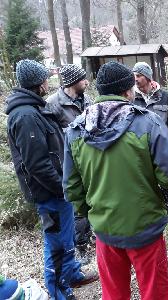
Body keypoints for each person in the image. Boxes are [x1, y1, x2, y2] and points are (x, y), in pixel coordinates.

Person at [63, 61, 168, 299]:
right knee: (154, 291)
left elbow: (71, 188)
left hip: (105, 229)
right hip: (145, 225)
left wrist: (94, 212)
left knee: (114, 293)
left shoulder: (76, 130)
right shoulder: (148, 122)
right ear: (128, 91)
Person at [5, 59, 98, 300]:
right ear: (38, 83)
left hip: (58, 190)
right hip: (49, 193)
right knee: (56, 243)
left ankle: (72, 274)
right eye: (45, 78)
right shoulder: (25, 115)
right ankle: (59, 290)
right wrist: (63, 187)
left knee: (65, 237)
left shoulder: (35, 108)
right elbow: (37, 164)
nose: (48, 82)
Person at [46, 64, 93, 262]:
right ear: (73, 82)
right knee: (78, 208)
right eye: (83, 79)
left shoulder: (87, 100)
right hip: (70, 164)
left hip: (89, 160)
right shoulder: (53, 104)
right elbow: (51, 139)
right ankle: (81, 246)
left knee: (93, 200)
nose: (87, 82)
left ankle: (96, 236)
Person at [132, 61, 168, 226]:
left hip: (162, 148)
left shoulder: (165, 96)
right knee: (143, 180)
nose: (135, 79)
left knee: (166, 180)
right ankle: (149, 213)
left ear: (147, 77)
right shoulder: (131, 97)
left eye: (138, 75)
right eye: (134, 76)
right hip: (139, 149)